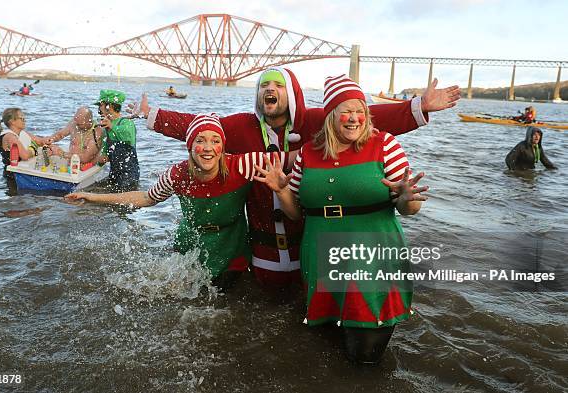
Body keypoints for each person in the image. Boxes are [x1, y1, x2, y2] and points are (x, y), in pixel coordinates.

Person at [130, 66, 459, 288]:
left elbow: (364, 116)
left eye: (277, 86)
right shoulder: (240, 126)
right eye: (264, 87)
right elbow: (201, 128)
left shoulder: (317, 121)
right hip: (262, 248)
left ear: (291, 93)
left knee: (311, 301)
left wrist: (418, 106)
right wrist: (153, 117)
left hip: (308, 245)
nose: (269, 91)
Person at [254, 75, 429, 364]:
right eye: (346, 111)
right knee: (327, 354)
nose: (354, 118)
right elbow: (297, 212)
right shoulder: (308, 153)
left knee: (364, 358)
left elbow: (408, 208)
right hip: (322, 260)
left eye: (360, 111)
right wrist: (282, 189)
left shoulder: (385, 145)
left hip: (371, 261)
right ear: (331, 115)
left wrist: (406, 197)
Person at [65, 114, 287, 290]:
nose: (208, 148)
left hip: (231, 245)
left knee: (225, 297)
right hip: (190, 243)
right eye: (200, 140)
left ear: (223, 147)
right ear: (190, 146)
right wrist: (92, 196)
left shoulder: (244, 165)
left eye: (215, 141)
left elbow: (292, 158)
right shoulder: (177, 175)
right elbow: (145, 198)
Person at [95, 89, 140, 191]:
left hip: (128, 173)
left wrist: (111, 126)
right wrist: (102, 157)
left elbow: (128, 137)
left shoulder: (126, 122)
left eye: (100, 105)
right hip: (114, 172)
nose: (98, 109)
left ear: (109, 106)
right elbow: (108, 144)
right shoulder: (108, 125)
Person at [0, 107, 47, 177]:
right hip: (13, 174)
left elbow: (40, 141)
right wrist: (33, 149)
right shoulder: (10, 137)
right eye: (22, 119)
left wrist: (56, 137)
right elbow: (25, 156)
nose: (24, 121)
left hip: (23, 171)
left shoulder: (23, 133)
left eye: (24, 119)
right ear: (12, 121)